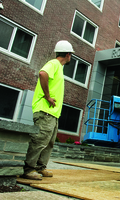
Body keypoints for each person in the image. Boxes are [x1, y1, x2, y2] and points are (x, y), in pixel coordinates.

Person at [21, 40, 75, 180]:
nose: (71, 57)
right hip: (45, 111)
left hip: (52, 114)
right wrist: (48, 96)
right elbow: (43, 74)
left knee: (49, 143)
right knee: (39, 141)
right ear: (68, 54)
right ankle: (29, 169)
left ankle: (40, 167)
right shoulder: (54, 64)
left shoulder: (58, 67)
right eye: (71, 55)